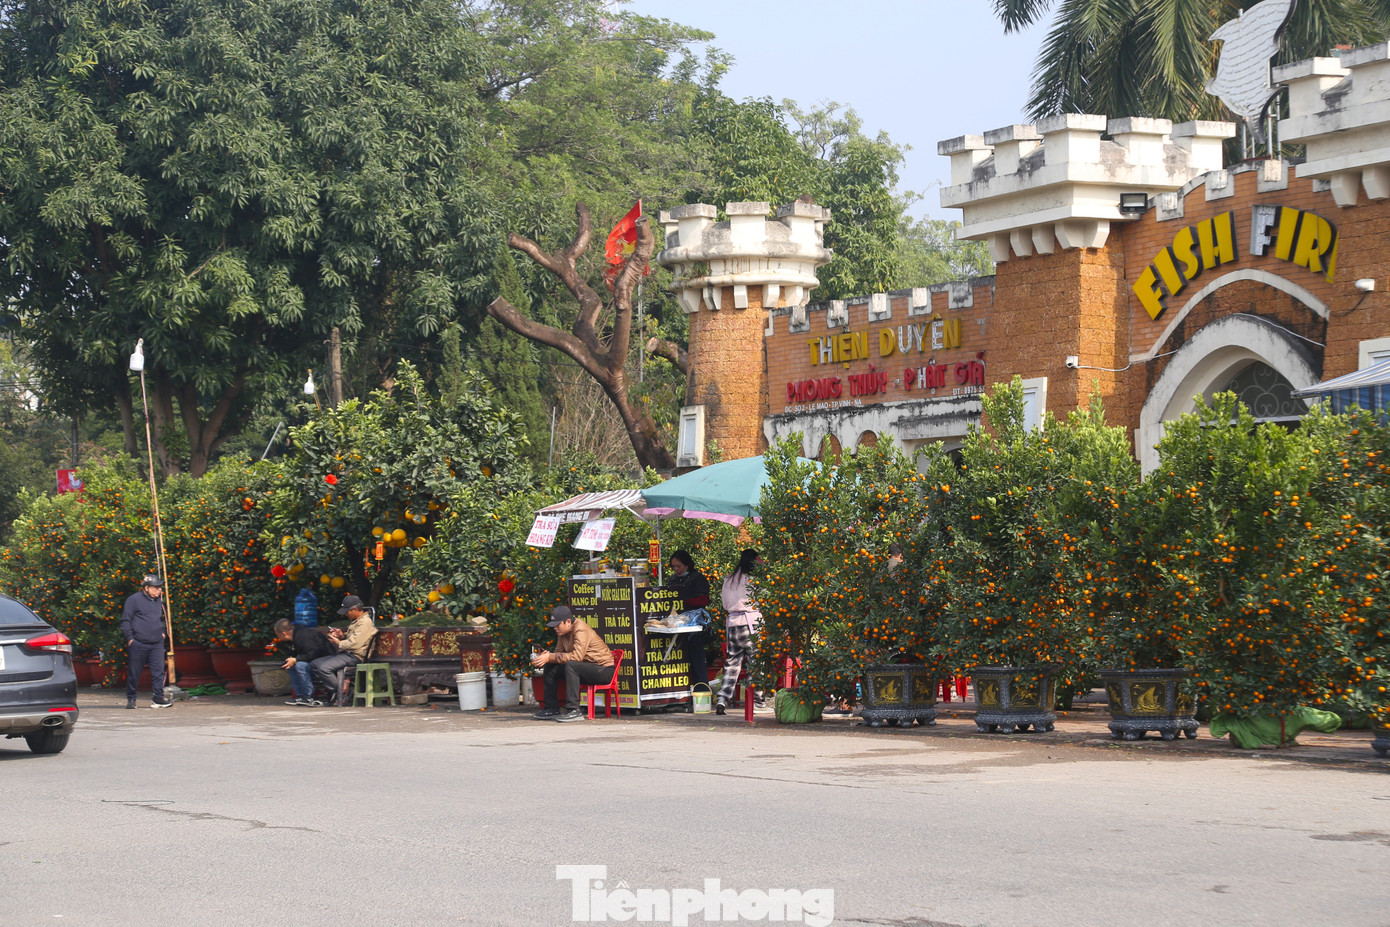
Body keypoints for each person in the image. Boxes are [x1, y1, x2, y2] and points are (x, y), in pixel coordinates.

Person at [530, 605, 614, 722]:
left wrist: (551, 657)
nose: (555, 628)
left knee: (571, 665)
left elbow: (577, 657)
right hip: (584, 668)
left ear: (568, 622)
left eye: (558, 625)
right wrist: (545, 657)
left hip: (603, 670)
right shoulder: (562, 632)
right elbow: (558, 654)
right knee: (550, 666)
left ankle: (573, 710)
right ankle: (551, 709)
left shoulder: (580, 629)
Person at [716, 549, 765, 715]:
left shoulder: (729, 579)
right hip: (751, 623)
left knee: (732, 663)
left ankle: (722, 698)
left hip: (733, 624)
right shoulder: (754, 580)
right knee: (756, 663)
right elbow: (765, 599)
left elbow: (724, 604)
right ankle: (757, 702)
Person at [309, 594, 377, 706]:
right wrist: (342, 635)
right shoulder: (357, 621)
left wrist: (338, 643)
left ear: (355, 609)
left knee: (323, 668)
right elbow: (354, 638)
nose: (346, 614)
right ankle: (341, 690)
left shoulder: (364, 622)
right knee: (315, 664)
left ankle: (342, 692)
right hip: (347, 654)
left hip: (356, 656)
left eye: (347, 612)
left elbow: (355, 644)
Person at [121, 574, 172, 709]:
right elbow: (125, 620)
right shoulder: (133, 600)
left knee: (158, 672)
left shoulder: (158, 602)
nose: (159, 590)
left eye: (160, 588)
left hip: (156, 643)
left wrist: (162, 633)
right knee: (134, 672)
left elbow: (160, 619)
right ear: (147, 588)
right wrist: (130, 638)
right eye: (156, 588)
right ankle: (131, 699)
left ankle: (158, 698)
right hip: (138, 643)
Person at [666, 549, 711, 701]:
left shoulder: (697, 578)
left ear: (687, 564)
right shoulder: (673, 579)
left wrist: (684, 601)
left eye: (678, 566)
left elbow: (704, 600)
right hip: (676, 624)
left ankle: (701, 693)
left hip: (694, 626)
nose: (676, 570)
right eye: (673, 567)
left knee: (696, 659)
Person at [273, 617, 337, 706]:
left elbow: (313, 653)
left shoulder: (303, 636)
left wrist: (296, 659)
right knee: (292, 666)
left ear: (283, 634)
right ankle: (300, 695)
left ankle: (308, 696)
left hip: (324, 664)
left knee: (300, 665)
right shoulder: (295, 636)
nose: (277, 637)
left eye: (277, 635)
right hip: (314, 663)